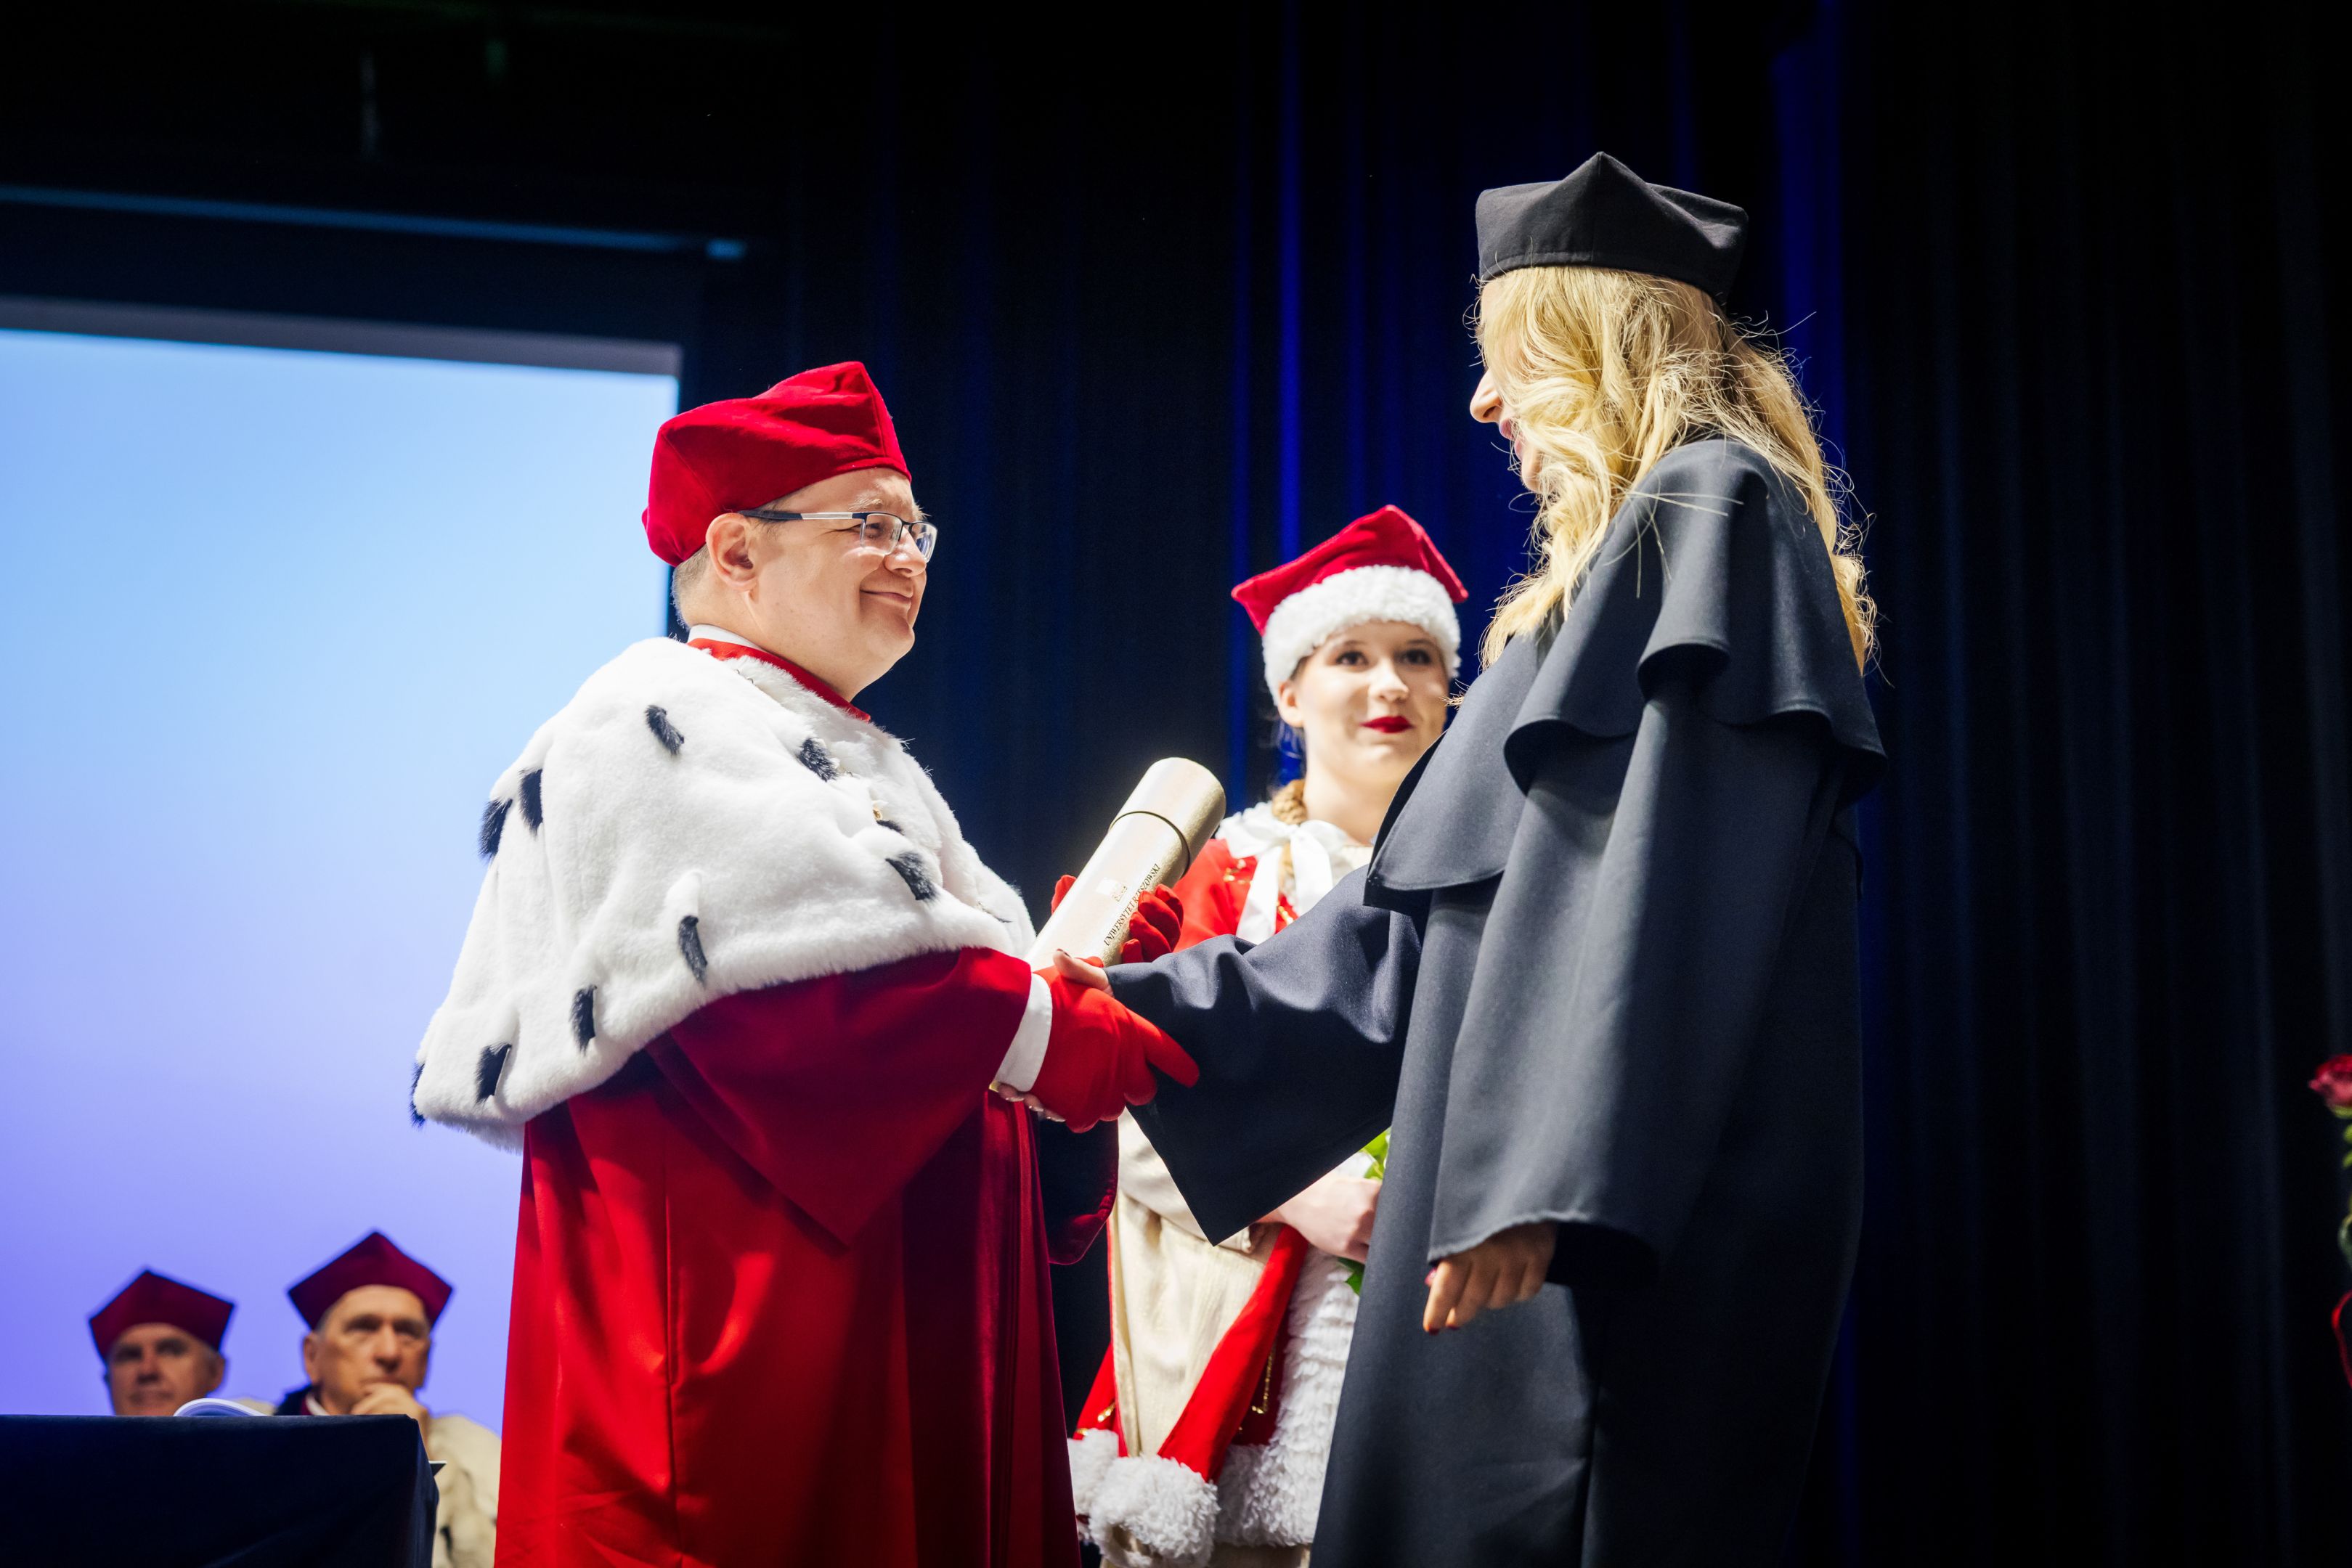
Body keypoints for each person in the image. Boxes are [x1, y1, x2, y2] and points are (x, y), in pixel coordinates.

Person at [1046, 152, 1885, 1565]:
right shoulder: (1605, 579)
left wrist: (1542, 1180)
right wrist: (1127, 1020)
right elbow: (1400, 945)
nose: (1484, 403)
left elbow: (1671, 888)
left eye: (1508, 358)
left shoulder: (1712, 510)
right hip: (1509, 1199)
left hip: (1588, 1220)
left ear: (1590, 346)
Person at [410, 362, 1192, 1568]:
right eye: (868, 524)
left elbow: (927, 1018)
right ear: (735, 550)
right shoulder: (650, 721)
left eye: (916, 530)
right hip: (739, 1364)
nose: (908, 557)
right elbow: (795, 1006)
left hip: (892, 1337)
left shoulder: (838, 748)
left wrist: (1057, 987)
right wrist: (1036, 1026)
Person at [1070, 505, 1466, 1567]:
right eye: (1351, 656)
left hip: (1445, 1315)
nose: (1389, 685)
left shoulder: (1488, 893)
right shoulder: (1224, 877)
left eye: (1416, 657)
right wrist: (1298, 1194)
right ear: (1290, 692)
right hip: (1236, 1337)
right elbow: (1120, 1093)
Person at [275, 1232, 500, 1568]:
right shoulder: (248, 1432)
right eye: (363, 1328)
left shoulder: (479, 1452)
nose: (390, 1353)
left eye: (408, 1332)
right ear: (312, 1356)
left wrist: (424, 1465)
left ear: (426, 1361)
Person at [89, 1269, 235, 1416]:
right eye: (129, 1356)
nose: (147, 1371)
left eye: (170, 1351)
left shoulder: (250, 1424)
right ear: (108, 1381)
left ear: (215, 1371)